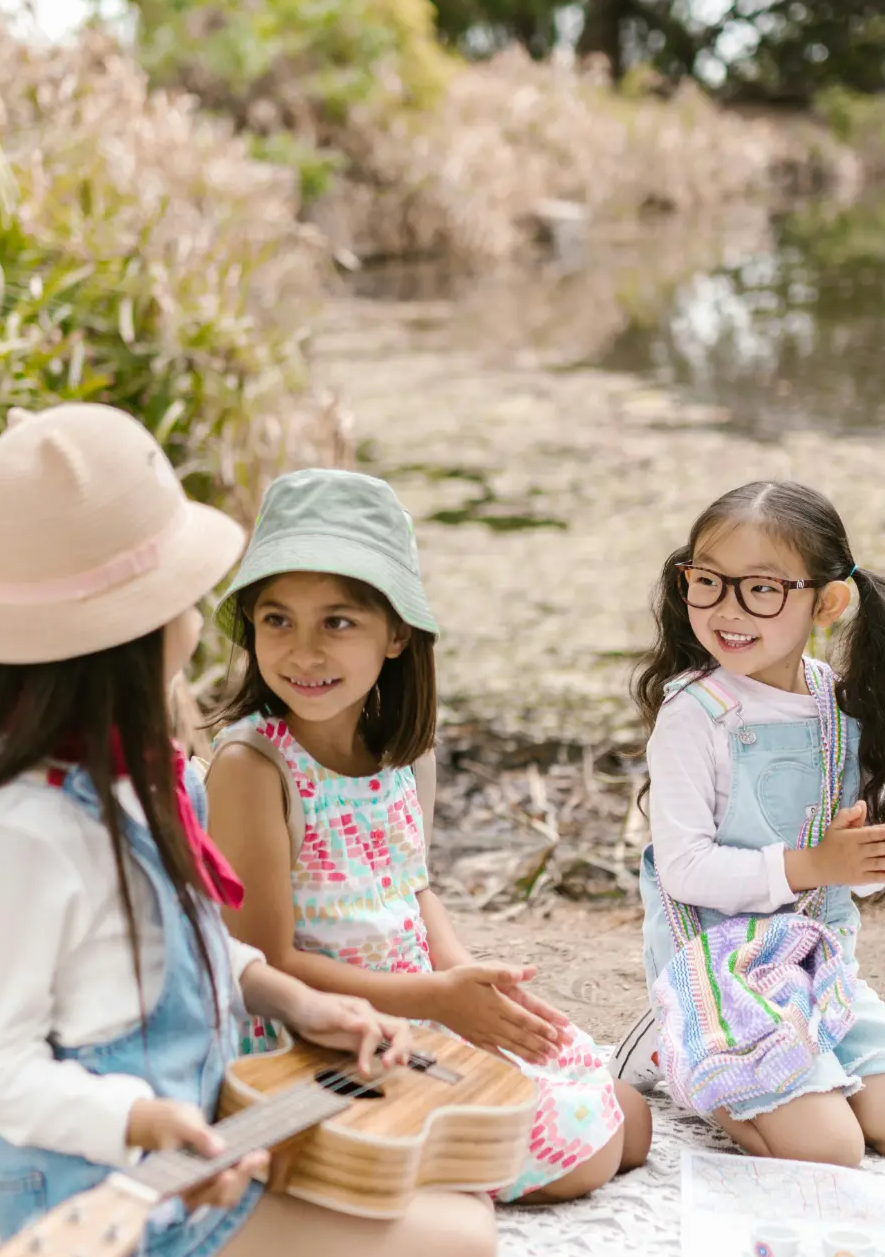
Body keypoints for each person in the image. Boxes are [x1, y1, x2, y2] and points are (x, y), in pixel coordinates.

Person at [0, 405, 496, 1257]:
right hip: (116, 1201)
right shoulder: (23, 832)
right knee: (462, 1240)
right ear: (137, 626)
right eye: (187, 592)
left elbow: (179, 946)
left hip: (210, 1137)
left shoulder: (137, 772)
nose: (201, 615)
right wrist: (142, 1124)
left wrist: (293, 998)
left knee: (441, 1175)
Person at [205, 467, 652, 1201]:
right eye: (276, 620)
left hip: (419, 1005)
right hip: (319, 1034)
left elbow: (410, 888)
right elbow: (267, 962)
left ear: (395, 634)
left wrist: (469, 984)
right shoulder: (254, 767)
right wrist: (435, 999)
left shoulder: (404, 755)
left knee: (626, 1120)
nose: (302, 652)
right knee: (588, 1155)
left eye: (337, 622)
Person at [612, 479, 885, 1167]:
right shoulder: (695, 716)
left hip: (814, 961)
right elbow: (683, 869)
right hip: (716, 962)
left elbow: (848, 876)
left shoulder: (838, 706)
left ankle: (782, 1066)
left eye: (760, 589)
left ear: (824, 603)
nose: (726, 611)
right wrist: (814, 865)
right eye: (707, 582)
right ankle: (677, 1043)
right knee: (831, 1151)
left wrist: (866, 864)